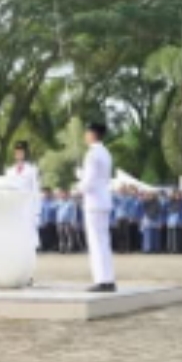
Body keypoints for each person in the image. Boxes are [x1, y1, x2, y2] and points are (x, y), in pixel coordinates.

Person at [77, 122, 117, 292]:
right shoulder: (105, 152)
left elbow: (90, 182)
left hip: (93, 202)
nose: (85, 136)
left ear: (93, 134)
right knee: (103, 241)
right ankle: (108, 278)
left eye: (87, 133)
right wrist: (81, 174)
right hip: (103, 200)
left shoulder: (92, 154)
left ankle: (101, 280)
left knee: (96, 242)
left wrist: (78, 187)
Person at [5, 141, 42, 252]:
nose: (19, 154)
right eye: (17, 152)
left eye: (21, 152)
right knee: (15, 235)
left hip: (27, 207)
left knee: (28, 236)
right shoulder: (9, 171)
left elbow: (35, 191)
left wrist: (37, 212)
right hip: (14, 207)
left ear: (25, 153)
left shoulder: (31, 170)